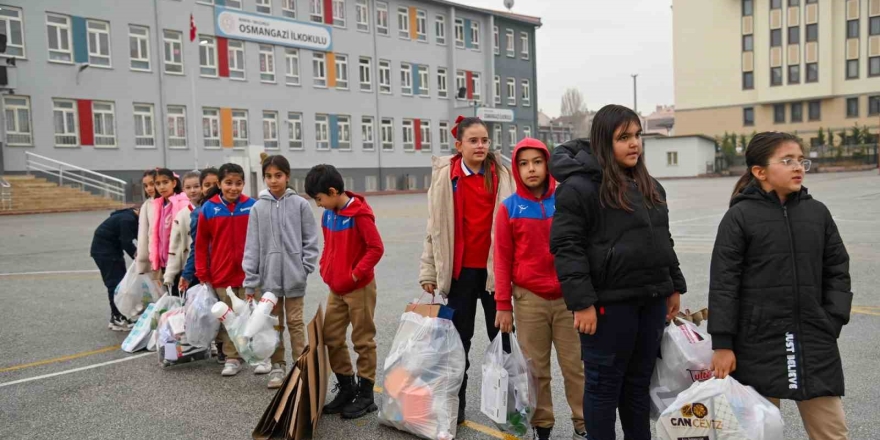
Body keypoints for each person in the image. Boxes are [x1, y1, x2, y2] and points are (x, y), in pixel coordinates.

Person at [549, 104, 686, 440]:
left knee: (638, 386)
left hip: (650, 301)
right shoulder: (579, 188)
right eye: (624, 137)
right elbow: (567, 248)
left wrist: (673, 286)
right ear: (603, 142)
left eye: (637, 135)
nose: (634, 143)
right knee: (603, 388)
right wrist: (582, 303)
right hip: (607, 307)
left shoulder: (650, 186)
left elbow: (662, 240)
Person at [709, 132, 852, 440]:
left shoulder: (818, 214)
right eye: (787, 161)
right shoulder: (739, 217)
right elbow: (724, 282)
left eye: (801, 160)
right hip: (757, 341)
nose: (797, 167)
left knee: (832, 431)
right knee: (757, 432)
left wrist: (832, 319)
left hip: (814, 339)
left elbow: (838, 269)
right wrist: (723, 343)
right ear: (760, 172)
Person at [418, 116, 516, 423]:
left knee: (502, 342)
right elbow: (434, 227)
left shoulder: (502, 174)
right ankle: (454, 406)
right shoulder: (446, 177)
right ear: (458, 145)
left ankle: (508, 407)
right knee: (458, 344)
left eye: (485, 140)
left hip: (494, 274)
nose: (481, 146)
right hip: (459, 274)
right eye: (473, 140)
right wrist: (429, 271)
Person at [494, 138, 586, 440]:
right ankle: (542, 425)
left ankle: (583, 424)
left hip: (569, 300)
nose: (531, 169)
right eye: (523, 163)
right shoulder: (508, 209)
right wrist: (503, 305)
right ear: (516, 169)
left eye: (537, 161)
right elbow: (502, 259)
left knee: (576, 367)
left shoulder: (566, 200)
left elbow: (584, 248)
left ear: (548, 164)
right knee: (536, 370)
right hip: (528, 300)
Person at [306, 164, 384, 419]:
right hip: (336, 288)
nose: (318, 204)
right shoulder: (329, 213)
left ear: (332, 191)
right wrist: (326, 269)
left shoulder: (359, 215)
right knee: (331, 337)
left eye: (319, 199)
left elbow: (375, 248)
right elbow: (329, 244)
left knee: (362, 340)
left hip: (359, 288)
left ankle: (366, 395)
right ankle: (347, 387)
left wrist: (354, 274)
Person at [243, 155, 320, 389]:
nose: (273, 180)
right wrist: (251, 280)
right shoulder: (258, 207)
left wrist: (304, 266)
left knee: (296, 322)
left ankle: (301, 366)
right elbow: (252, 246)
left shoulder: (300, 205)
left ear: (287, 176)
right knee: (275, 324)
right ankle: (278, 366)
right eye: (269, 176)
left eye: (278, 175)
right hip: (269, 280)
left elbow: (311, 239)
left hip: (295, 276)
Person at [195, 163, 256, 377]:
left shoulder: (252, 206)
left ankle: (255, 352)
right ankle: (232, 357)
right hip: (221, 275)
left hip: (250, 274)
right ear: (220, 184)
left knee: (251, 315)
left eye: (238, 183)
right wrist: (203, 273)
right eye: (228, 183)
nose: (233, 188)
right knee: (228, 318)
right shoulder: (209, 208)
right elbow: (201, 245)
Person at [180, 167, 221, 361]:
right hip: (210, 270)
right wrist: (188, 274)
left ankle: (230, 350)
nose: (211, 188)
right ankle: (220, 348)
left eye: (215, 183)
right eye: (207, 185)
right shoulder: (199, 213)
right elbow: (197, 247)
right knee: (214, 310)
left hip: (230, 268)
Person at [138, 168, 189, 296]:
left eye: (165, 182)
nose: (161, 187)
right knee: (172, 298)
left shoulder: (182, 203)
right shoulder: (158, 205)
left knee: (183, 297)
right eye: (158, 183)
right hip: (164, 261)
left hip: (181, 261)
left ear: (174, 183)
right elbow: (152, 235)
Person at [90, 207, 139, 331]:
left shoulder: (129, 217)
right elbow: (127, 242)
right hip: (105, 253)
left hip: (112, 252)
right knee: (115, 284)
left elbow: (140, 237)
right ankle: (117, 318)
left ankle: (119, 315)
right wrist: (139, 258)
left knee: (120, 284)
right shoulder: (127, 219)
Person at [163, 171, 201, 291]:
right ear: (183, 189)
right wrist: (169, 274)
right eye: (188, 187)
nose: (193, 191)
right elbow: (175, 246)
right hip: (189, 267)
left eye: (196, 186)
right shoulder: (181, 215)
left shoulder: (210, 209)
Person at [135, 170, 157, 277]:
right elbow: (143, 234)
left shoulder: (175, 201)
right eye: (146, 185)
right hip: (155, 258)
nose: (149, 188)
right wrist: (142, 260)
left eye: (152, 184)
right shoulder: (147, 205)